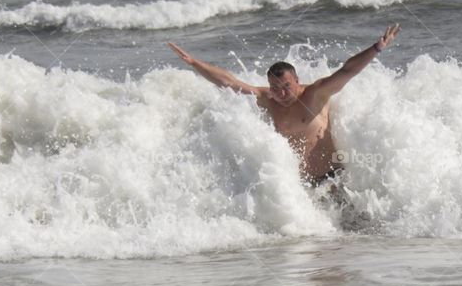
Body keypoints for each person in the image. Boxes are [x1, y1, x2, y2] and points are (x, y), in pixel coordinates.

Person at [167, 25, 401, 184]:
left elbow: (347, 71)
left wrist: (377, 48)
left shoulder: (316, 94)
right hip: (300, 190)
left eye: (286, 86)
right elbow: (229, 82)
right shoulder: (267, 99)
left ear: (296, 81)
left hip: (333, 179)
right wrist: (194, 62)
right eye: (275, 88)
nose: (280, 93)